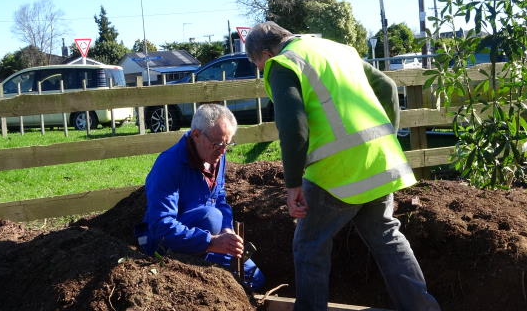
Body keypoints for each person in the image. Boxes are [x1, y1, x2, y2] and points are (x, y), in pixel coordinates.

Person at [245, 22, 440, 311]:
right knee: (387, 236)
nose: (261, 70)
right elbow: (386, 86)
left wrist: (292, 185)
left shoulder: (282, 64)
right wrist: (388, 136)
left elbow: (293, 127)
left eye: (257, 64)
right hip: (378, 160)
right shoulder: (338, 49)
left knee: (310, 246)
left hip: (334, 173)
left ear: (265, 52)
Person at [137, 103, 265, 291]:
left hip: (206, 238)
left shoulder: (216, 157)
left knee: (255, 280)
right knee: (210, 217)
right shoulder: (169, 166)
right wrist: (211, 242)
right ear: (196, 135)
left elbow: (220, 197)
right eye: (218, 144)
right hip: (165, 245)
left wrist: (227, 230)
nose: (223, 151)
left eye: (227, 144)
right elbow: (161, 226)